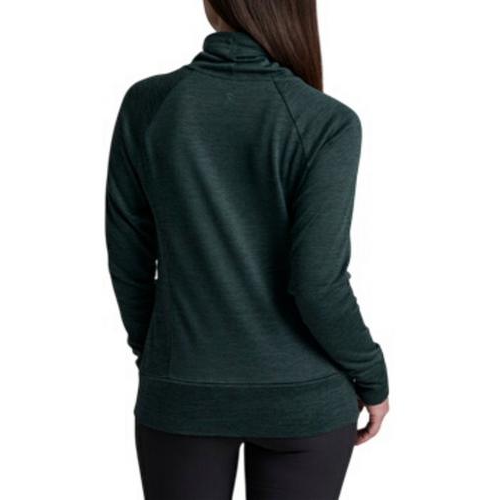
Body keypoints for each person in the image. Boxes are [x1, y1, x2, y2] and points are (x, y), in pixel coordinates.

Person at [104, 0, 390, 498]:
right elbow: (317, 282)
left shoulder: (148, 104)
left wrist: (160, 356)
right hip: (305, 401)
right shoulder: (327, 120)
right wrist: (372, 376)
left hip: (183, 392)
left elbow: (129, 255)